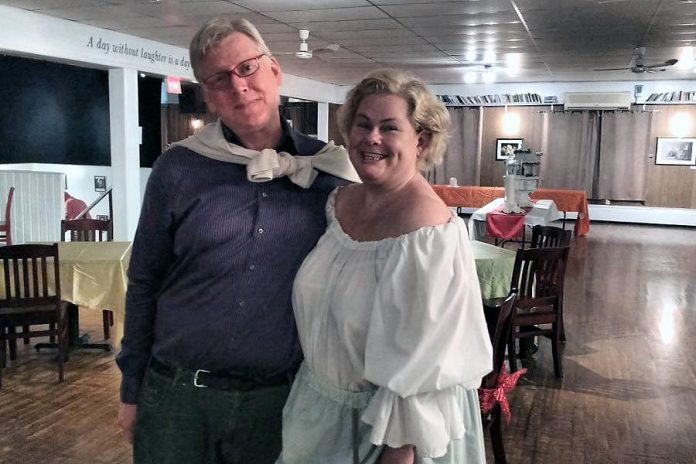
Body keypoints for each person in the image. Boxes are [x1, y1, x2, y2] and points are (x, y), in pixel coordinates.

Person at [115, 17, 358, 464]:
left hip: (279, 402)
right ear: (207, 95)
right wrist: (132, 390)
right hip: (176, 401)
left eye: (247, 68)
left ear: (275, 71)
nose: (238, 86)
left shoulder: (329, 174)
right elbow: (144, 282)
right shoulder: (178, 169)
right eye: (219, 79)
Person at [277, 69, 493, 464]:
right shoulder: (339, 203)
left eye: (389, 127)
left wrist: (399, 451)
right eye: (363, 124)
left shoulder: (429, 232)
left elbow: (426, 364)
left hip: (388, 433)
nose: (371, 138)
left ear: (421, 140)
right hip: (317, 413)